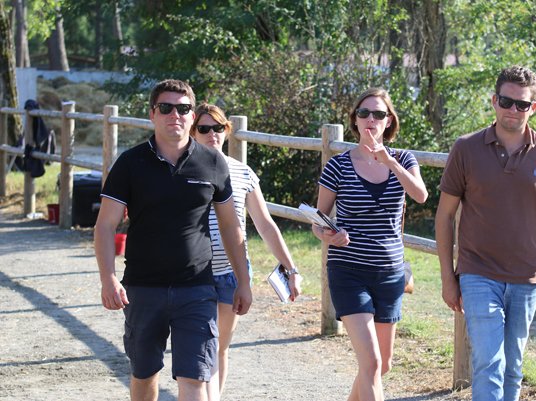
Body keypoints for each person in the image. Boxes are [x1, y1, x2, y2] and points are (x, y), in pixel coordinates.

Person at [94, 79, 252, 401]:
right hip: (143, 288)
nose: (174, 115)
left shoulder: (212, 162)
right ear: (152, 114)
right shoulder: (130, 163)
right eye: (166, 108)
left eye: (183, 109)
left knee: (194, 378)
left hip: (197, 288)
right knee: (144, 375)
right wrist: (108, 278)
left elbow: (231, 227)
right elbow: (106, 226)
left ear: (192, 116)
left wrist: (243, 282)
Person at [435, 66, 536, 401]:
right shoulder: (466, 148)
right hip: (477, 273)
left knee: (513, 366)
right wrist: (447, 277)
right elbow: (444, 216)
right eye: (506, 101)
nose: (513, 109)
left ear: (533, 108)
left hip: (528, 277)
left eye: (522, 104)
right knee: (489, 363)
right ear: (494, 101)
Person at [311, 88, 428, 401]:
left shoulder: (403, 159)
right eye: (364, 113)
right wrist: (328, 234)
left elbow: (420, 195)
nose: (371, 119)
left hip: (390, 273)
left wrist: (389, 162)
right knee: (372, 363)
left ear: (389, 121)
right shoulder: (338, 166)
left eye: (378, 114)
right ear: (355, 120)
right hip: (348, 270)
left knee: (382, 365)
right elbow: (318, 220)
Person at [189, 103, 302, 397]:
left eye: (218, 128)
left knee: (220, 346)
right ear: (193, 132)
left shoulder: (243, 173)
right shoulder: (184, 170)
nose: (212, 134)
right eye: (204, 128)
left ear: (227, 131)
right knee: (202, 347)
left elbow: (265, 225)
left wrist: (291, 269)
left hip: (232, 273)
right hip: (194, 274)